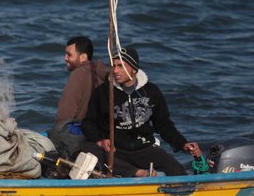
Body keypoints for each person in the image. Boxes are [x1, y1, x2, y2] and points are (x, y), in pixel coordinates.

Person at [80, 46, 201, 177]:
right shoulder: (103, 92)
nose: (115, 70)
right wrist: (100, 140)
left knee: (177, 170)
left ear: (134, 70)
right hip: (116, 151)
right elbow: (88, 123)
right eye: (113, 65)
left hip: (144, 149)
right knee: (89, 150)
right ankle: (137, 173)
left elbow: (164, 125)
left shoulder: (151, 92)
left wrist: (183, 144)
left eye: (121, 66)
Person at [49, 35, 109, 157]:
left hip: (80, 135)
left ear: (83, 57)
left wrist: (56, 133)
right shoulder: (104, 75)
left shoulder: (78, 74)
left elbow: (65, 114)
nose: (65, 58)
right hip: (101, 133)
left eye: (69, 55)